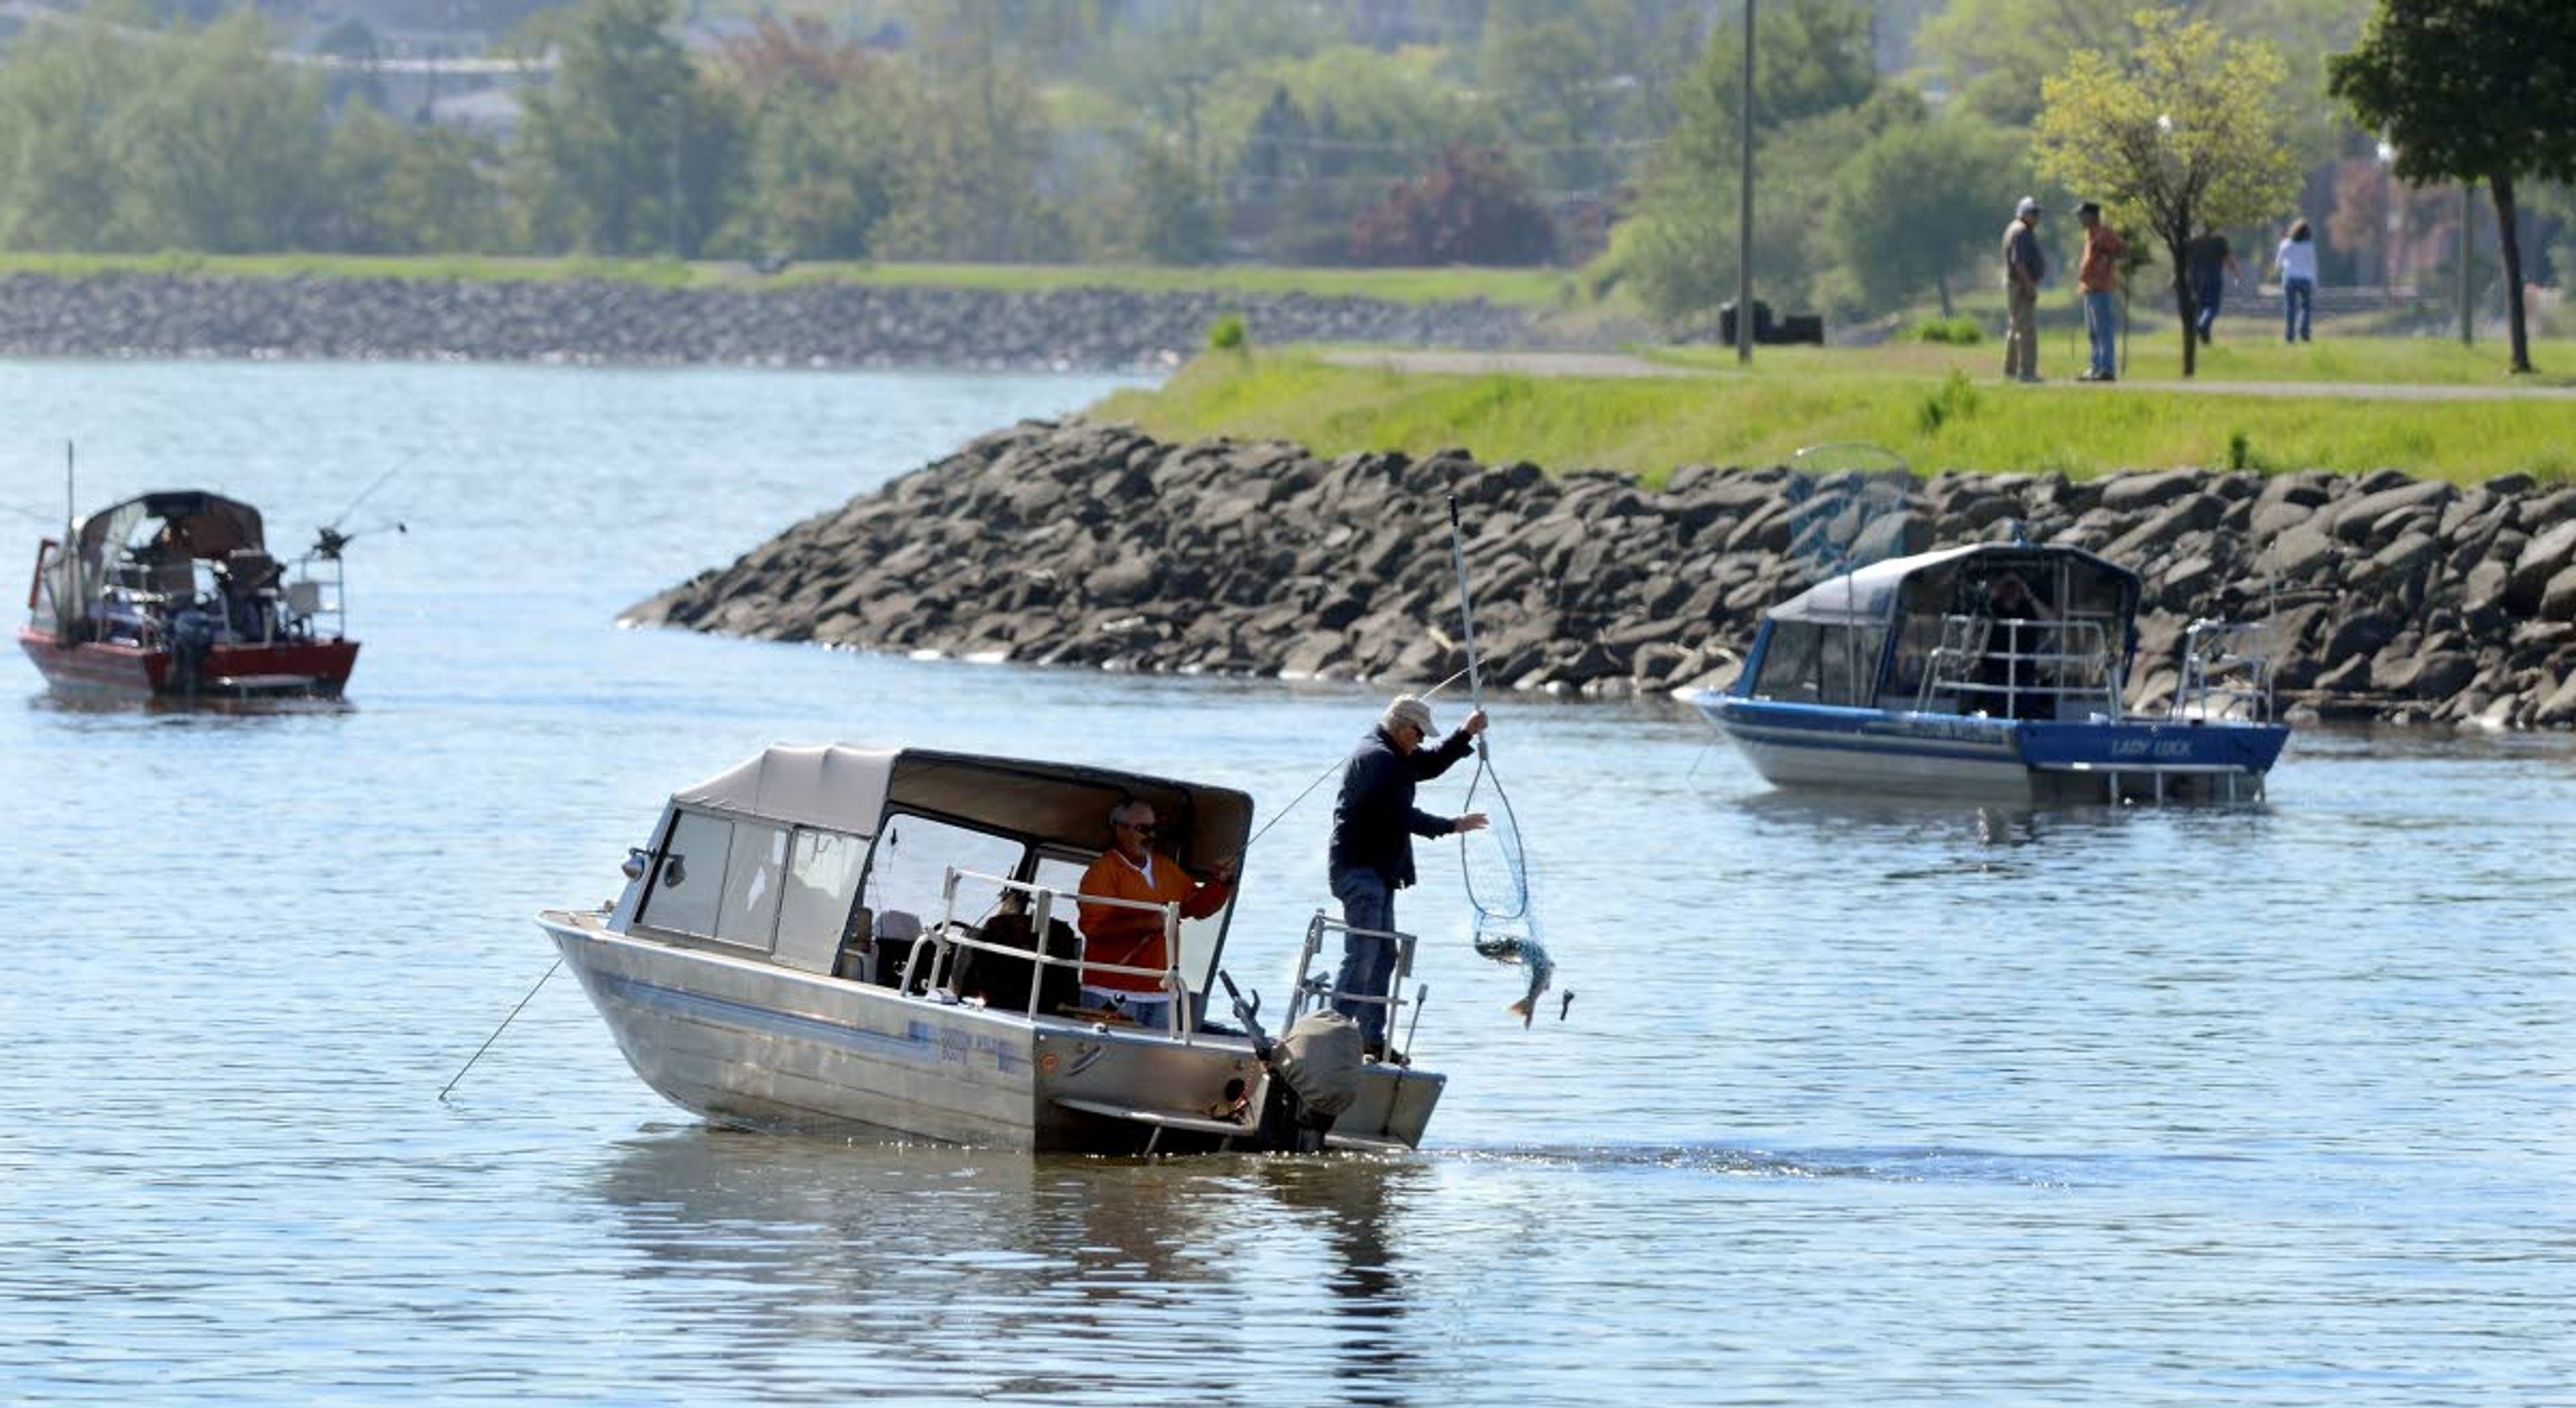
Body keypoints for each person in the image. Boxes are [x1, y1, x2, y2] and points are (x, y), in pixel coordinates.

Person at [1326, 694, 1487, 1063]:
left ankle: (1369, 1038)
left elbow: (1428, 765)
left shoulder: (1393, 753)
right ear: (1401, 727)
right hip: (1359, 870)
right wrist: (1452, 826)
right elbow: (1404, 816)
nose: (1421, 741)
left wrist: (1465, 734)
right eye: (1418, 734)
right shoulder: (1379, 760)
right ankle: (1330, 1034)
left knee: (1384, 954)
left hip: (1378, 872)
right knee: (1364, 953)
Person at [1075, 796, 1233, 1030]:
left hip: (1161, 993)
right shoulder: (1101, 872)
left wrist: (1221, 882)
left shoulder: (1165, 867)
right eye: (1143, 829)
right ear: (1120, 830)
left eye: (1154, 828)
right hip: (1110, 992)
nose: (1151, 835)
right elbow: (1093, 929)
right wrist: (1148, 922)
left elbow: (1196, 908)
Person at [1976, 572, 2055, 720]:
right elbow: (1975, 623)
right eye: (2007, 586)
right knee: (1995, 716)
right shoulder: (1992, 608)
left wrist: (2029, 595)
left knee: (2027, 716)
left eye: (2015, 586)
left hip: (2024, 677)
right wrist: (1994, 595)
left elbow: (2052, 621)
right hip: (1995, 677)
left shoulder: (2030, 608)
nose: (2011, 591)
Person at [2074, 201, 2127, 382]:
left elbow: (2122, 250)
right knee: (2093, 332)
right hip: (2089, 287)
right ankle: (2096, 367)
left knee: (2103, 330)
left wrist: (2108, 259)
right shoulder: (2090, 233)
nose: (2079, 219)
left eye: (2082, 215)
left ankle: (2108, 369)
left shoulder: (2104, 232)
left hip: (2101, 287)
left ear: (2092, 216)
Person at [2002, 196, 2047, 382]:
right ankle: (2027, 371)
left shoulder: (2015, 229)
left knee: (2015, 327)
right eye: (2033, 213)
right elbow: (2019, 262)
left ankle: (2010, 370)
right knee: (2026, 329)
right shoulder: (2021, 232)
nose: (2037, 217)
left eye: (2037, 213)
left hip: (2015, 283)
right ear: (2023, 213)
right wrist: (2029, 286)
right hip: (2021, 284)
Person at [2183, 228, 2243, 344]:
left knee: (2200, 307)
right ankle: (2202, 325)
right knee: (2212, 307)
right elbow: (2229, 259)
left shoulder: (2193, 241)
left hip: (2195, 278)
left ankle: (2205, 338)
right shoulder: (2219, 241)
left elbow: (2185, 261)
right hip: (2213, 278)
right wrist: (2236, 273)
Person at [2275, 218, 2316, 343]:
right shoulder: (2309, 246)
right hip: (2305, 279)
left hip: (2290, 278)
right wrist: (2315, 282)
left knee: (2290, 307)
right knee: (2306, 307)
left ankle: (2290, 335)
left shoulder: (2285, 244)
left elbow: (2278, 263)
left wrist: (2284, 269)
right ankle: (2304, 333)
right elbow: (2313, 265)